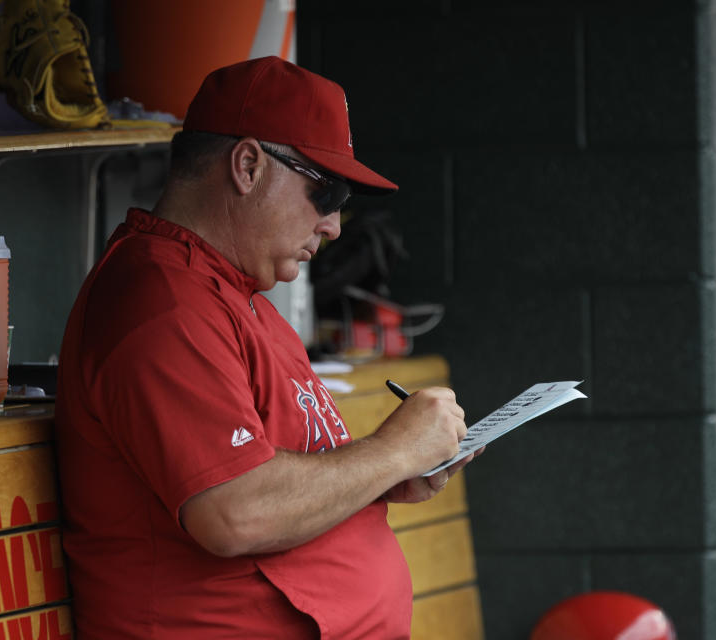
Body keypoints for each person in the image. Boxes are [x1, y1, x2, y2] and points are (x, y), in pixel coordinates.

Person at [55, 56, 476, 639]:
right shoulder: (160, 303)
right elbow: (234, 512)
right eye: (325, 193)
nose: (333, 226)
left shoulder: (229, 291)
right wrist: (392, 452)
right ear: (248, 165)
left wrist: (379, 478)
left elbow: (278, 473)